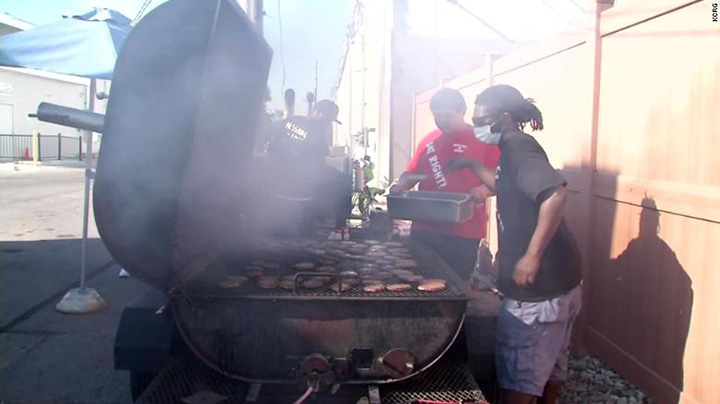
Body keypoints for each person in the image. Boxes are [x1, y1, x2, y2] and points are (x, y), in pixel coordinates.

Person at [447, 84, 583, 404]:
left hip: (537, 293)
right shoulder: (510, 151)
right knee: (550, 364)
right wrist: (470, 167)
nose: (477, 126)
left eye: (482, 119)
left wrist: (531, 256)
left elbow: (554, 193)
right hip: (561, 282)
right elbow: (504, 182)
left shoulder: (520, 147)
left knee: (519, 378)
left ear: (504, 118)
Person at [390, 87, 500, 281]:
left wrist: (483, 190)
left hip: (463, 231)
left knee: (455, 283)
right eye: (437, 115)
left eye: (447, 115)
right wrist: (401, 184)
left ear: (461, 112)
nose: (441, 120)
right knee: (417, 280)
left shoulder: (483, 140)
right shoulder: (429, 140)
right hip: (424, 228)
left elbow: (500, 181)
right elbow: (412, 174)